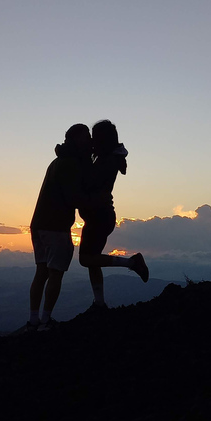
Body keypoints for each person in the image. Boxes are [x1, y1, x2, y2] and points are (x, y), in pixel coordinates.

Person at [27, 124, 95, 331]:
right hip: (55, 226)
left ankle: (33, 320)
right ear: (76, 140)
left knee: (41, 272)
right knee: (55, 273)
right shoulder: (71, 163)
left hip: (38, 224)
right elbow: (73, 197)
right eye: (86, 137)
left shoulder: (57, 161)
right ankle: (46, 321)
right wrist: (94, 201)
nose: (90, 141)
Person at [78, 120, 149, 310]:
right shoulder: (107, 159)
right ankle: (99, 303)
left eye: (94, 137)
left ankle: (132, 263)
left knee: (86, 259)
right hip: (99, 216)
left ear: (101, 140)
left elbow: (89, 183)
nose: (91, 141)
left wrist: (82, 159)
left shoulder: (106, 161)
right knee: (93, 260)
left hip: (99, 216)